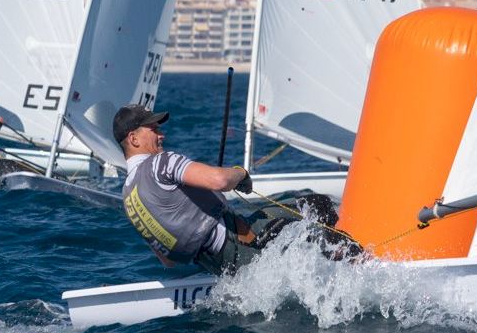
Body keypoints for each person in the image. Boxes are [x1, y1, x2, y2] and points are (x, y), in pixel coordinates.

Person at [115, 104, 350, 275]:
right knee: (316, 208)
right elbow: (219, 180)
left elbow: (168, 261)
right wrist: (241, 173)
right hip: (244, 244)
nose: (161, 134)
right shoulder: (160, 163)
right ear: (134, 139)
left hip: (220, 266)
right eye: (153, 129)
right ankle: (361, 260)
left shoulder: (128, 198)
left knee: (302, 211)